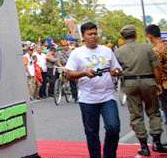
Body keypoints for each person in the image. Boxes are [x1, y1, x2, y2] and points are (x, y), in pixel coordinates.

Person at [65, 22, 123, 158]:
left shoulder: (107, 51)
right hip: (87, 99)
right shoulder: (77, 53)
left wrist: (116, 72)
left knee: (113, 127)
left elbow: (117, 69)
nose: (93, 36)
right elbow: (69, 74)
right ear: (83, 36)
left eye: (95, 33)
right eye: (90, 34)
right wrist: (84, 73)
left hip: (108, 97)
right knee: (92, 133)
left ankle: (109, 155)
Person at [116, 25, 166, 156]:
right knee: (154, 112)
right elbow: (156, 67)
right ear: (136, 35)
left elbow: (117, 70)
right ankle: (157, 142)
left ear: (123, 37)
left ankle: (144, 146)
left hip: (130, 82)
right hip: (148, 81)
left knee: (136, 114)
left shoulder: (119, 51)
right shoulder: (146, 47)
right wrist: (158, 83)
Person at [146, 24, 167, 122]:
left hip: (164, 85)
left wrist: (157, 84)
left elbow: (157, 69)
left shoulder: (155, 50)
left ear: (150, 36)